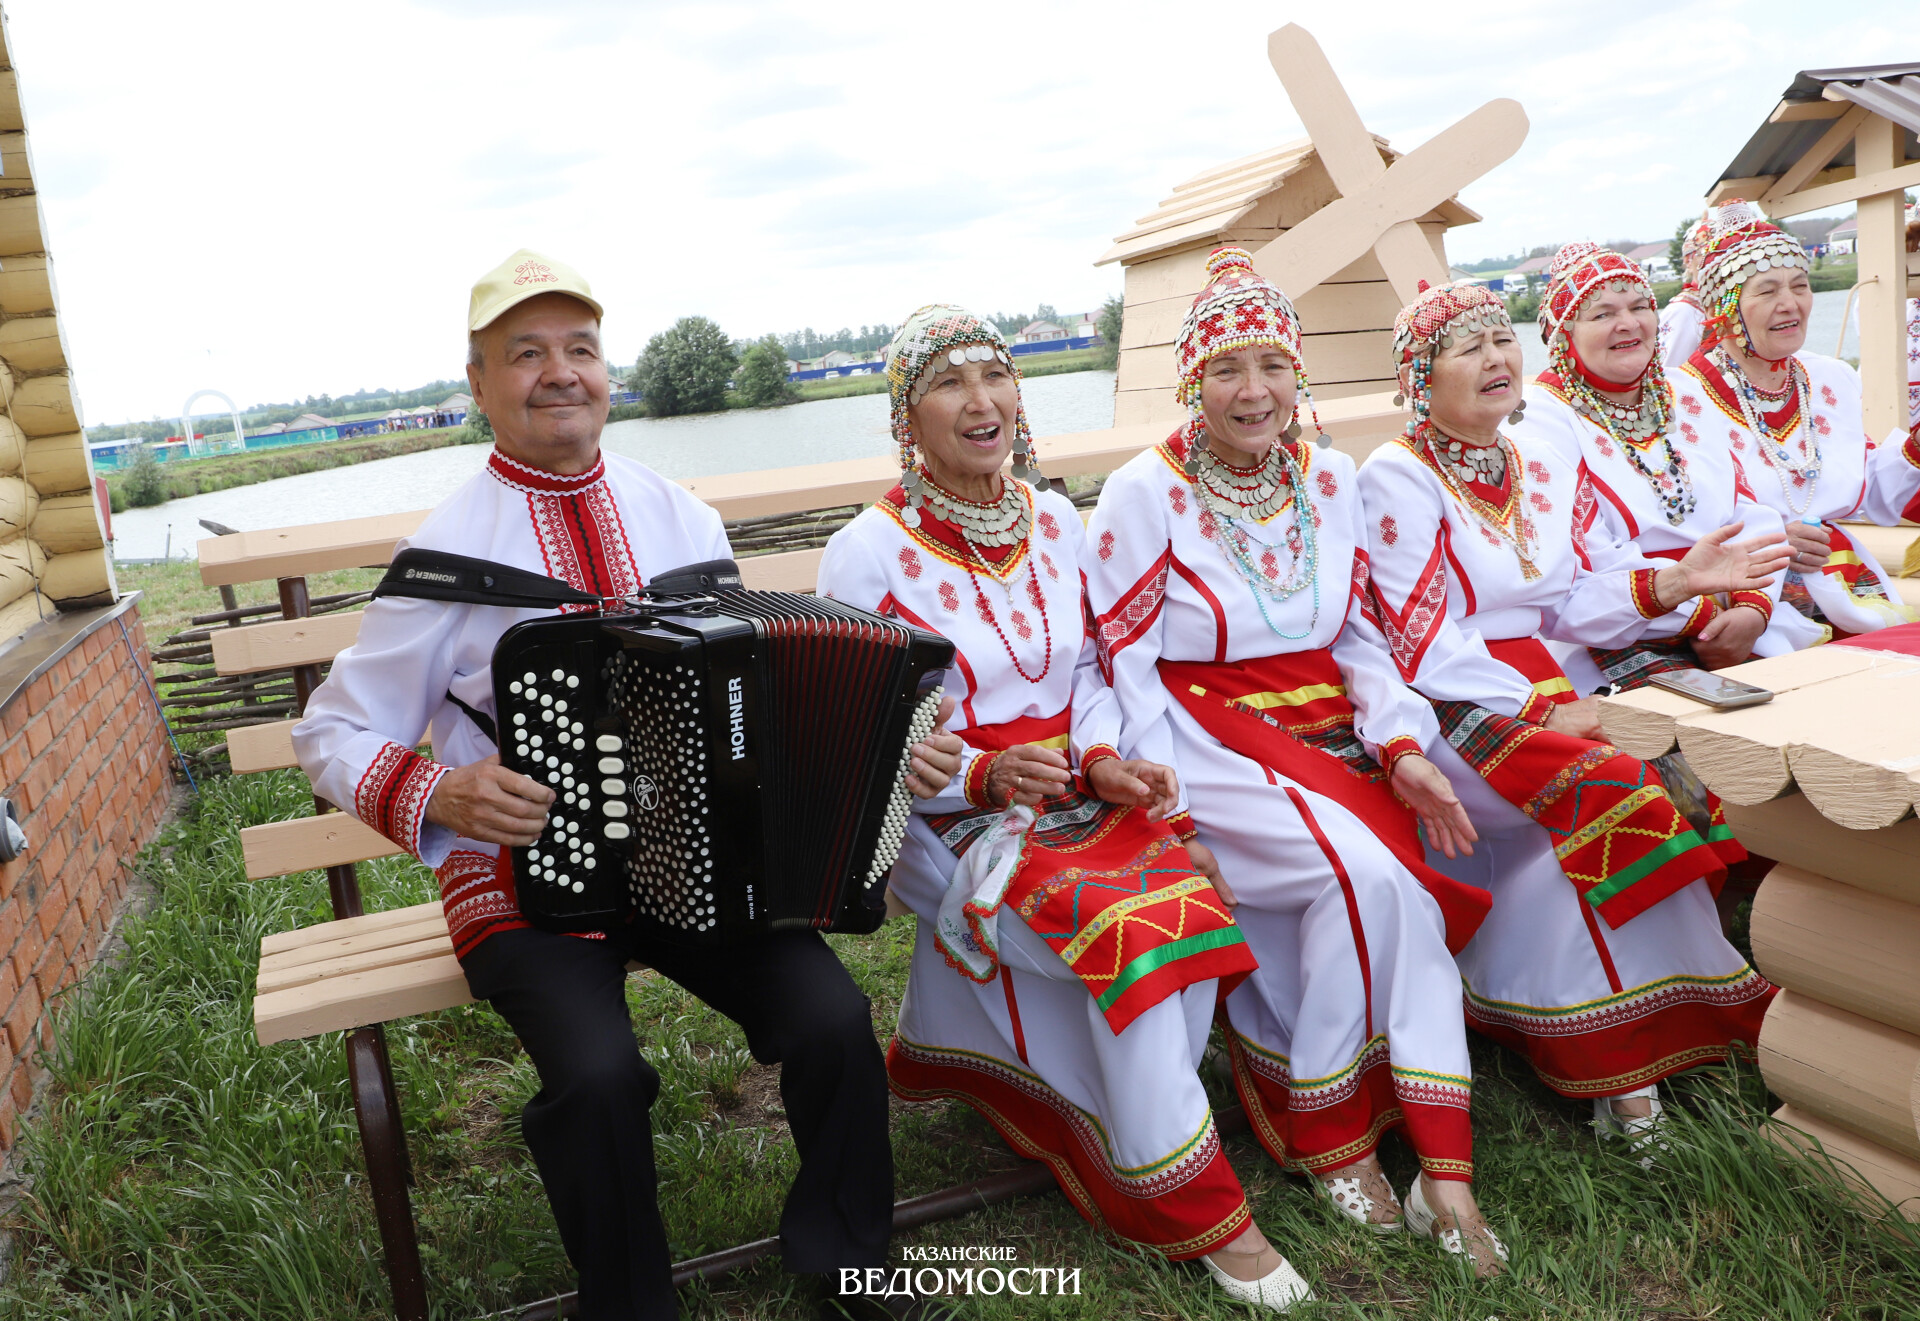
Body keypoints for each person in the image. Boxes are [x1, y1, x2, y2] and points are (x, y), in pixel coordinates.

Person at [293, 251, 960, 1321]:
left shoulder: (681, 519)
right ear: (479, 387)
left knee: (833, 1018)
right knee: (600, 1076)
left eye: (581, 349)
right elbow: (330, 730)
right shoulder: (443, 556)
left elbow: (764, 691)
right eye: (527, 354)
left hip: (699, 868)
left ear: (607, 371)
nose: (560, 373)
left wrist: (887, 747)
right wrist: (443, 796)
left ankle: (848, 1256)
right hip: (524, 879)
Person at [817, 305, 1313, 1312]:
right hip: (949, 822)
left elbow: (1087, 666)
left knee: (1196, 893)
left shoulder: (1053, 518)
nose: (983, 400)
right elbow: (855, 732)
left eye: (996, 377)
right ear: (907, 418)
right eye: (950, 383)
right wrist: (981, 777)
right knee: (1131, 933)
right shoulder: (866, 551)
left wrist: (1099, 753)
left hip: (1074, 791)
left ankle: (1122, 1126)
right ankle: (1200, 1205)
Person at [1084, 249, 1508, 1276]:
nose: (1255, 391)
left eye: (1273, 363)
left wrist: (1401, 742)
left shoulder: (1331, 474)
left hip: (1329, 722)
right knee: (1369, 877)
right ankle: (1336, 1134)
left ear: (1298, 372)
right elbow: (1123, 661)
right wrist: (1163, 806)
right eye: (1228, 368)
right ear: (1193, 382)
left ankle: (1441, 1163)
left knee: (1400, 879)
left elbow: (1360, 633)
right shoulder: (1146, 491)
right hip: (1205, 731)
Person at [1357, 277, 1780, 1154]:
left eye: (1501, 341)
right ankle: (1620, 1079)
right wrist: (1553, 707)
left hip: (1550, 676)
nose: (1497, 359)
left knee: (1667, 765)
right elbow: (1424, 638)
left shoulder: (1542, 463)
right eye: (1467, 349)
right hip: (1454, 701)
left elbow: (1580, 597)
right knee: (1609, 783)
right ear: (1418, 379)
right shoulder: (1396, 475)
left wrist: (1677, 581)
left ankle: (1671, 1032)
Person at [1514, 241, 1796, 692]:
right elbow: (1582, 559)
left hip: (1733, 607)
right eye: (1603, 314)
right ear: (1564, 334)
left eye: (1640, 306)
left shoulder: (1681, 391)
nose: (1628, 324)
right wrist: (1702, 607)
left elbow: (1747, 509)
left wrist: (1751, 608)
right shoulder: (1540, 418)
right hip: (1618, 632)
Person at [1677, 200, 1920, 644]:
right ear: (1726, 308)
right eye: (1767, 291)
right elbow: (1669, 515)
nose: (1791, 304)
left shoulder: (1827, 377)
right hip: (1738, 596)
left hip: (1840, 581)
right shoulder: (1681, 398)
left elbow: (1865, 491)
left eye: (1800, 286)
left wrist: (1915, 450)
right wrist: (1768, 538)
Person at [1658, 214, 1711, 372]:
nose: (1717, 259)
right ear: (1689, 262)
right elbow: (1671, 373)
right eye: (1707, 253)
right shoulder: (1683, 311)